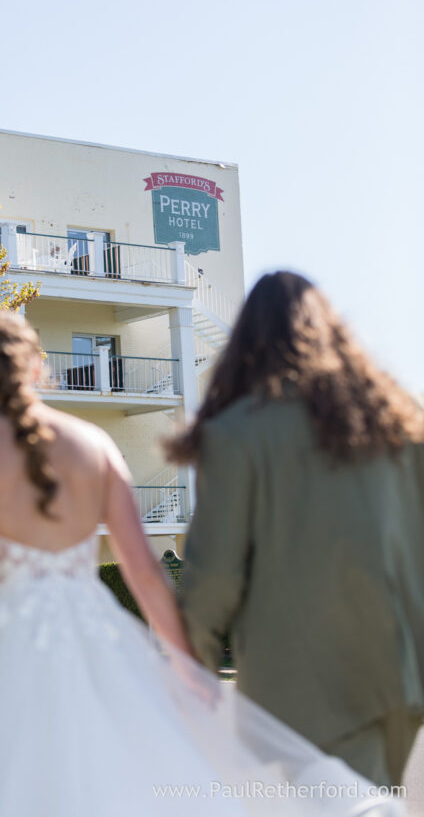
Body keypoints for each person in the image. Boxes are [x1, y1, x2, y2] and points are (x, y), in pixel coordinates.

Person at [0, 310, 404, 815]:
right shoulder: (96, 445)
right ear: (40, 368)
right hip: (92, 637)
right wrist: (185, 665)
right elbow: (146, 575)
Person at [167, 271, 424, 790]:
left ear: (246, 344)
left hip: (302, 682)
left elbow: (215, 576)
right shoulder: (402, 427)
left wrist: (194, 666)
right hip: (400, 671)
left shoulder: (235, 434)